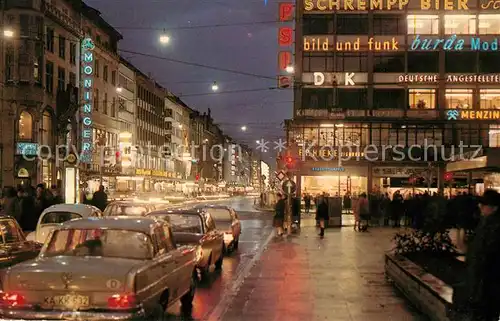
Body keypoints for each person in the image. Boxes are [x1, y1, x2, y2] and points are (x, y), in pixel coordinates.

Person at [458, 189, 500, 321]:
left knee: (487, 312)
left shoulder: (494, 225)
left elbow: (487, 253)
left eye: (483, 204)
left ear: (494, 208)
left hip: (487, 282)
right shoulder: (486, 222)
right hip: (480, 281)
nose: (480, 207)